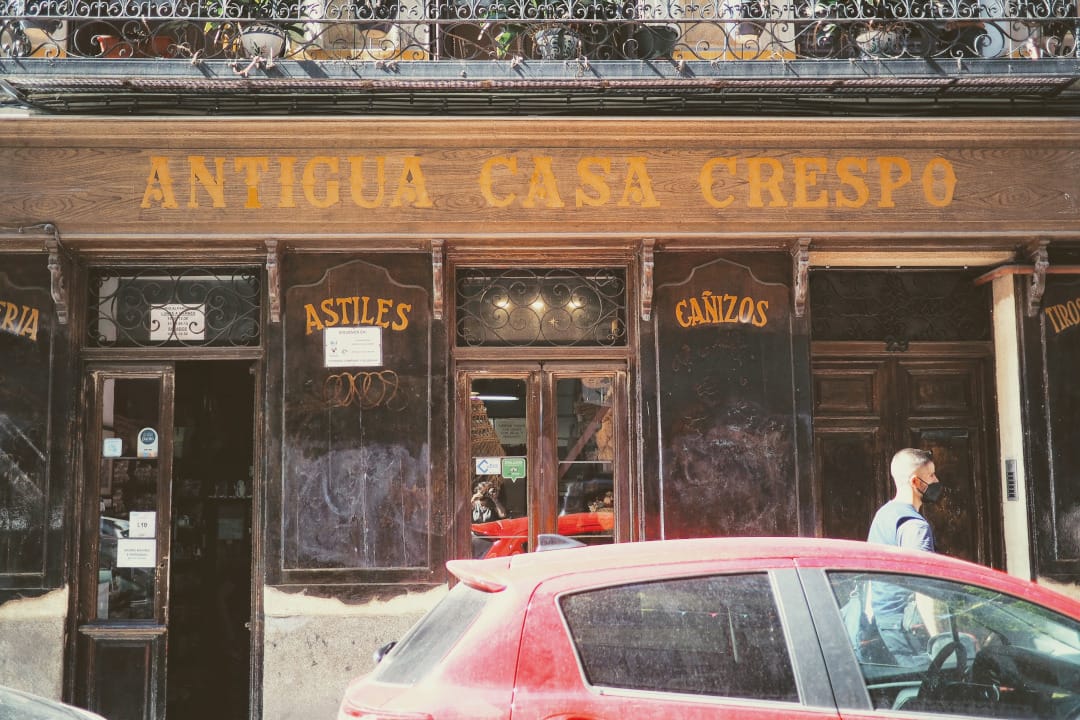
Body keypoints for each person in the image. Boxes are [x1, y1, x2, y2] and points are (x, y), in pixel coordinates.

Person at [865, 448, 945, 667]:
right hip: (908, 627)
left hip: (886, 624)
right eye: (931, 476)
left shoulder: (884, 515)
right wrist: (939, 639)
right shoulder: (915, 527)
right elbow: (923, 589)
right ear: (915, 481)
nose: (936, 481)